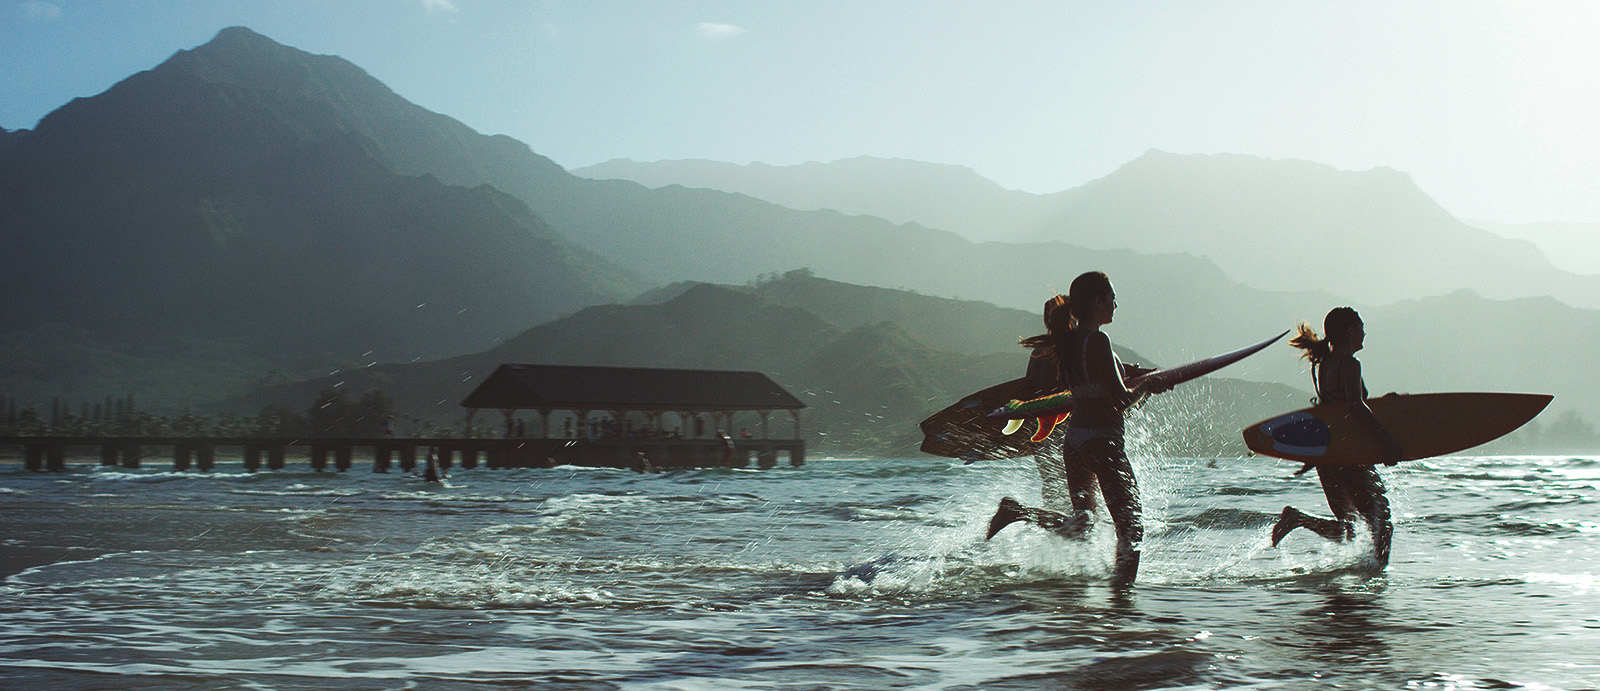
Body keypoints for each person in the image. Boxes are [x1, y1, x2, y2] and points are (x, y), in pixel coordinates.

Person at [985, 271, 1169, 586]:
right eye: (1112, 298)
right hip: (1102, 442)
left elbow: (1094, 378)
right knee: (1131, 527)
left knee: (1083, 524)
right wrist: (1150, 386)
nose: (1115, 304)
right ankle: (1120, 602)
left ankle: (1019, 512)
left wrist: (1130, 372)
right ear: (1098, 301)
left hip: (1075, 442)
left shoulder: (1068, 343)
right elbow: (1121, 400)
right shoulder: (1098, 339)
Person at [1270, 307, 1401, 567]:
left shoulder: (1326, 365)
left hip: (1330, 456)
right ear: (1351, 331)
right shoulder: (1349, 363)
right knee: (1382, 524)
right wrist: (1385, 439)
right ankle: (1374, 587)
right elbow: (1353, 406)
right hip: (1349, 455)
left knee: (1351, 528)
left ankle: (1298, 519)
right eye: (1361, 327)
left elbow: (1335, 409)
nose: (1364, 332)